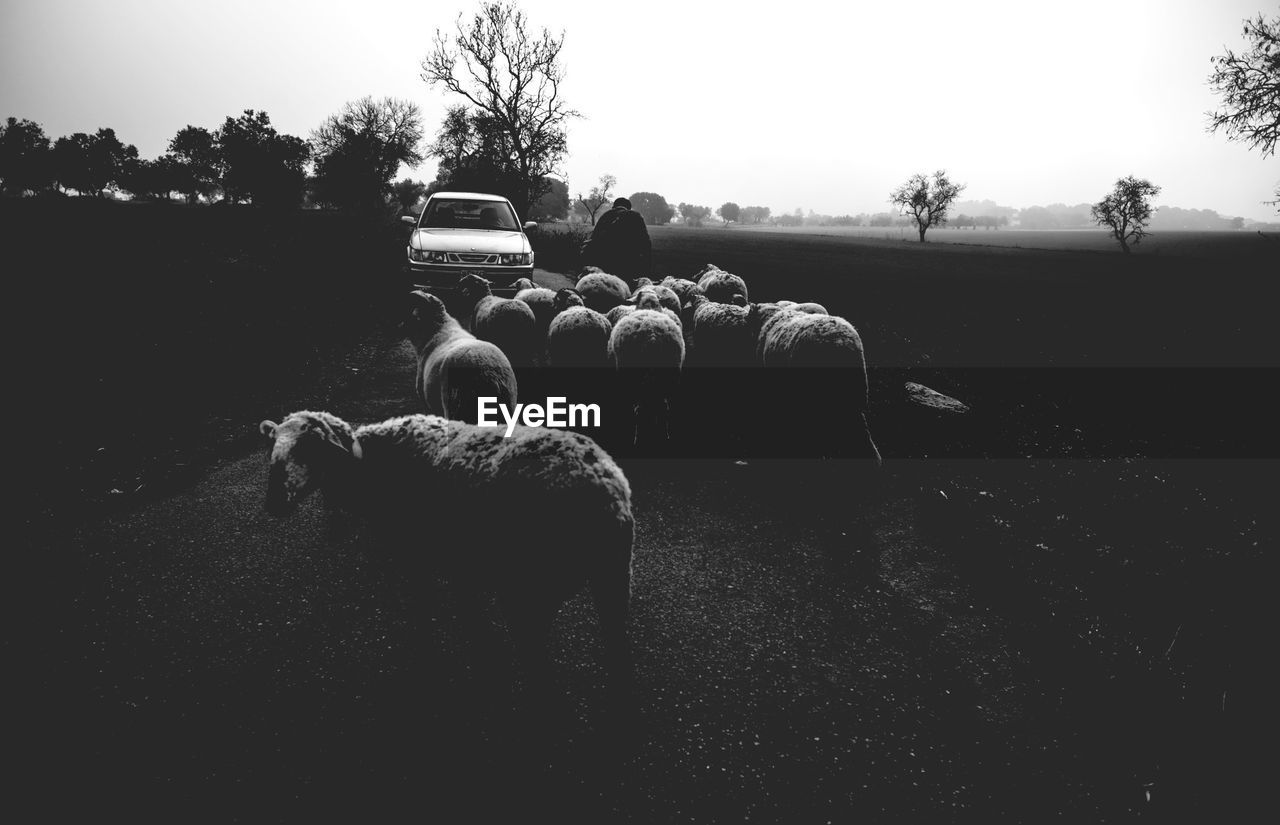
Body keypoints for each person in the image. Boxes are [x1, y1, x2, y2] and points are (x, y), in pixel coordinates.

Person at [581, 197, 652, 279]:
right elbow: (646, 244)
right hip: (630, 265)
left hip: (604, 265)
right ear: (629, 208)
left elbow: (593, 240)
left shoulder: (605, 216)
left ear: (614, 207)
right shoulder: (636, 217)